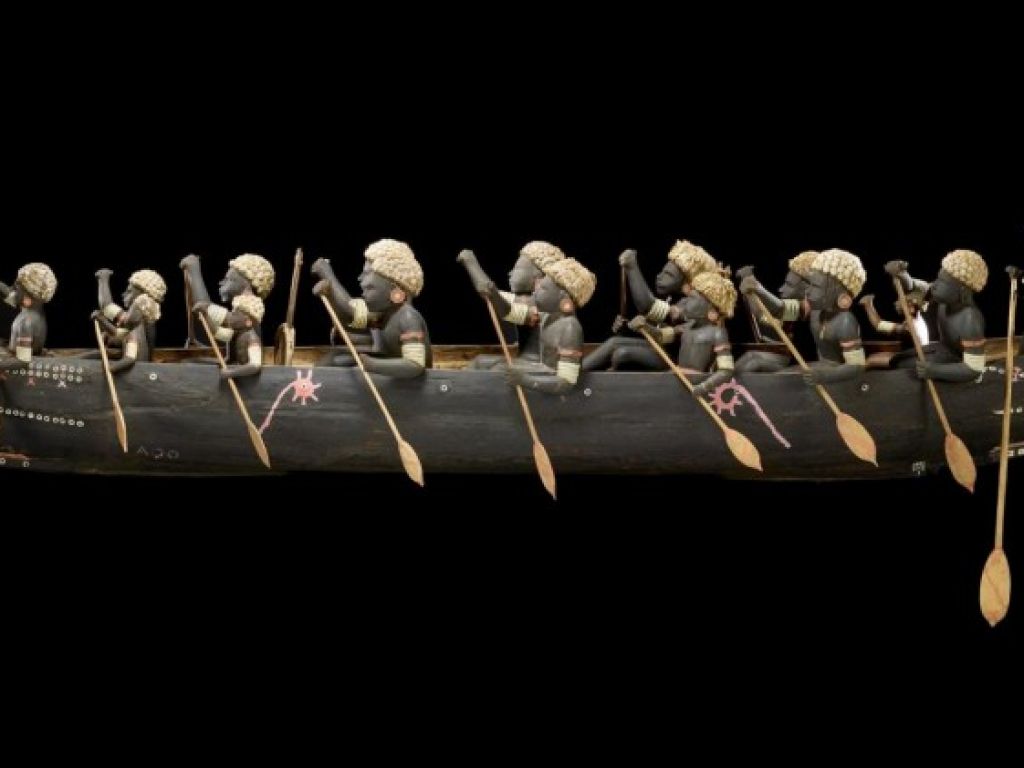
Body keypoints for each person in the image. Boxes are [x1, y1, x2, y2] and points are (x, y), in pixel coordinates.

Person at [582, 240, 718, 371]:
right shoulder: (675, 300)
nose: (659, 277)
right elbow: (659, 329)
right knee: (614, 343)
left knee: (621, 354)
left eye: (669, 275)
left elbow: (648, 307)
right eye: (663, 272)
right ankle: (578, 374)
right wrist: (629, 328)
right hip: (660, 349)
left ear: (687, 283)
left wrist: (632, 268)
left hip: (672, 359)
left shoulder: (694, 306)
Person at [740, 248, 868, 386]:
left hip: (834, 379)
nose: (808, 291)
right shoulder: (816, 310)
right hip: (819, 368)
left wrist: (824, 376)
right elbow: (781, 310)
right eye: (810, 284)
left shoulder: (845, 322)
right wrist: (759, 289)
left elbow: (857, 367)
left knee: (776, 382)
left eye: (816, 286)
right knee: (762, 368)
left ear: (843, 299)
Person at [314, 239, 431, 378]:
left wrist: (372, 365)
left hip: (413, 383)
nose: (360, 280)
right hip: (390, 368)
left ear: (395, 289)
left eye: (367, 273)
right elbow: (350, 319)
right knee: (333, 360)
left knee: (339, 364)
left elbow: (415, 365)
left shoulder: (408, 318)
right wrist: (330, 296)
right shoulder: (385, 316)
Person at [629, 268, 738, 397]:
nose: (685, 302)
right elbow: (661, 336)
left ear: (712, 312)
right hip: (676, 377)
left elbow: (726, 370)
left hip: (694, 383)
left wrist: (704, 386)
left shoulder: (718, 333)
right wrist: (645, 327)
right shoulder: (687, 327)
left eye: (692, 299)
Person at [456, 240, 566, 368]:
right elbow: (495, 295)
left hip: (535, 365)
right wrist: (489, 290)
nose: (510, 273)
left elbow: (503, 305)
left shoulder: (539, 303)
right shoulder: (531, 300)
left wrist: (471, 263)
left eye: (517, 268)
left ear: (538, 275)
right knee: (480, 361)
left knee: (480, 364)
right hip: (525, 361)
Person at [885, 251, 988, 382]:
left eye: (943, 282)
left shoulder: (969, 320)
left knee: (903, 367)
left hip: (956, 361)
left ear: (962, 290)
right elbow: (917, 287)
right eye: (938, 279)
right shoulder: (945, 299)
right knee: (897, 360)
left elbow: (974, 369)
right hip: (941, 348)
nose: (935, 285)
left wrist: (934, 371)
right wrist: (901, 274)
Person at [733, 250, 817, 373]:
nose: (781, 289)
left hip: (810, 368)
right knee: (750, 357)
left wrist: (757, 287)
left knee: (754, 362)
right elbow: (776, 311)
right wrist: (752, 291)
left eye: (789, 285)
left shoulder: (820, 309)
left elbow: (778, 309)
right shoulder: (802, 307)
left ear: (807, 287)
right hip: (800, 363)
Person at [90, 268, 166, 372]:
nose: (123, 294)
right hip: (136, 363)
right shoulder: (141, 322)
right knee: (94, 354)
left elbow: (107, 307)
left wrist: (103, 278)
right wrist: (103, 323)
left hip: (135, 369)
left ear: (142, 294)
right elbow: (118, 333)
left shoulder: (136, 327)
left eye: (129, 291)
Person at [0, 263, 57, 368]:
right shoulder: (36, 314)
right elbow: (9, 294)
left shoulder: (25, 322)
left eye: (15, 288)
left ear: (27, 299)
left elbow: (23, 361)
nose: (12, 290)